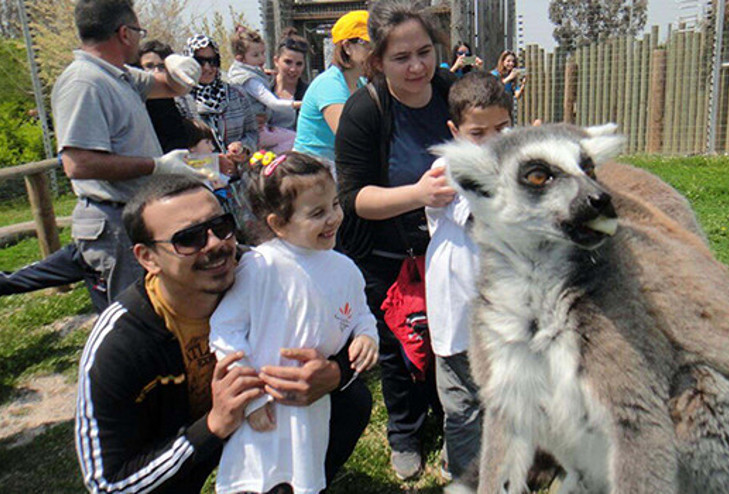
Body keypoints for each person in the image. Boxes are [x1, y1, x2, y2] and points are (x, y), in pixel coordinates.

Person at [75, 175, 374, 493]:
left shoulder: (266, 270)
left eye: (221, 226)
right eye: (188, 238)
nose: (215, 243)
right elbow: (108, 484)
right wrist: (213, 426)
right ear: (147, 258)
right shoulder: (122, 343)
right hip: (186, 443)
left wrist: (337, 372)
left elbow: (346, 319)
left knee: (351, 402)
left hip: (267, 418)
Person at [334, 0, 456, 480]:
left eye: (425, 52)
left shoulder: (450, 91)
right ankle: (404, 432)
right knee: (401, 349)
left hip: (448, 248)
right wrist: (419, 193)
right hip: (388, 254)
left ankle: (452, 423)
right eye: (401, 58)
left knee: (451, 341)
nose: (417, 66)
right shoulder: (365, 112)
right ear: (377, 62)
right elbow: (354, 199)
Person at [209, 152, 379, 494]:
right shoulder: (261, 267)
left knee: (304, 475)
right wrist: (251, 398)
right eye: (317, 213)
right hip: (265, 408)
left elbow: (360, 311)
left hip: (311, 404)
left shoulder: (343, 267)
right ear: (277, 224)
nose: (332, 218)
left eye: (334, 204)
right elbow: (225, 330)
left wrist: (366, 335)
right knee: (259, 480)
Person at [52, 0, 205, 304]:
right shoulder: (84, 82)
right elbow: (77, 164)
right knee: (129, 317)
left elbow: (172, 86)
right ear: (124, 33)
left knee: (154, 308)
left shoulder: (119, 76)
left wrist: (178, 65)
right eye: (138, 31)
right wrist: (155, 166)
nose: (139, 38)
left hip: (134, 215)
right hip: (112, 222)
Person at [424, 71, 512, 482]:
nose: (493, 141)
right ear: (454, 132)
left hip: (504, 313)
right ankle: (463, 476)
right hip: (459, 314)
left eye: (503, 129)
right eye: (479, 133)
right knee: (463, 407)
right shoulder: (450, 168)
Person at [293, 10, 371, 163]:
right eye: (369, 45)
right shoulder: (329, 84)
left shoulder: (361, 84)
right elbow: (350, 137)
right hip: (312, 170)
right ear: (347, 47)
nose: (376, 52)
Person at [183, 34, 258, 174]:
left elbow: (252, 132)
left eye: (213, 61)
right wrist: (214, 161)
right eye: (200, 61)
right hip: (200, 178)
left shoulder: (237, 94)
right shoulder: (182, 99)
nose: (207, 67)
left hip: (239, 177)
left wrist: (244, 149)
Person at [226, 25, 296, 154]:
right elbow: (272, 102)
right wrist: (297, 104)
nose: (262, 59)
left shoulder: (238, 73)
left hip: (251, 127)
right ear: (240, 58)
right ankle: (270, 163)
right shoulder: (249, 80)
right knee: (292, 139)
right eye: (255, 55)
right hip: (256, 130)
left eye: (263, 53)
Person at [137, 40, 191, 152]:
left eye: (161, 66)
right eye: (149, 66)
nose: (156, 71)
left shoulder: (183, 101)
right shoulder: (133, 102)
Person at [272, 28, 310, 130]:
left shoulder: (309, 93)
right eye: (288, 62)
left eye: (299, 64)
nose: (293, 69)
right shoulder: (262, 88)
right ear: (276, 61)